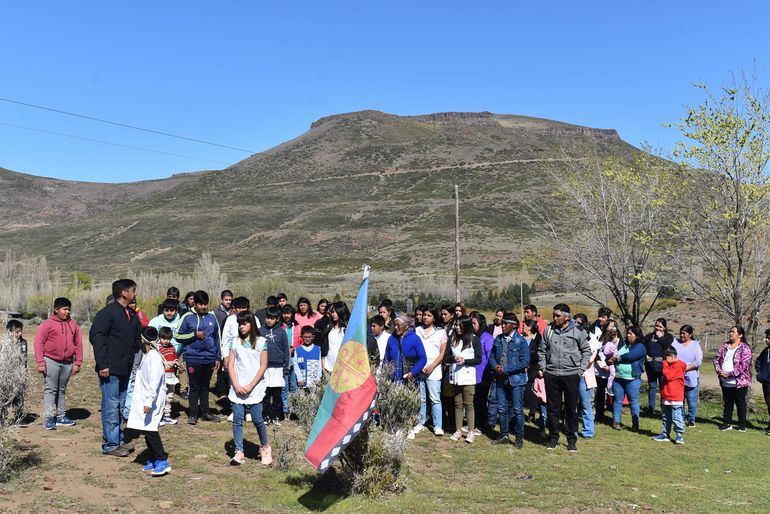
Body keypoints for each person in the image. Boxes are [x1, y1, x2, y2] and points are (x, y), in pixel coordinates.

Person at [90, 279, 142, 457]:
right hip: (110, 369)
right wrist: (103, 363)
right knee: (111, 405)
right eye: (133, 291)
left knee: (119, 405)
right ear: (124, 293)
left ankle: (118, 439)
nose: (135, 294)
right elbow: (97, 338)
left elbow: (137, 339)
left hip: (125, 368)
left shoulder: (132, 315)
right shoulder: (108, 313)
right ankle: (111, 444)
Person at [537, 303, 590, 452]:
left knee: (571, 409)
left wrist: (580, 370)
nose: (554, 318)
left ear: (567, 317)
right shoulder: (548, 331)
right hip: (552, 375)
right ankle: (553, 437)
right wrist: (543, 368)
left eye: (558, 315)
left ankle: (571, 439)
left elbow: (586, 351)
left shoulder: (578, 331)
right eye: (554, 315)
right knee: (553, 409)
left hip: (571, 375)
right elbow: (541, 350)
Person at [227, 311, 272, 466]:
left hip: (255, 387)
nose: (241, 327)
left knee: (257, 419)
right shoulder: (234, 342)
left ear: (252, 324)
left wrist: (251, 385)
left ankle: (265, 447)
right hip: (237, 387)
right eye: (239, 323)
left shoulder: (261, 342)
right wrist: (236, 384)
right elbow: (230, 365)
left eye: (244, 323)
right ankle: (239, 451)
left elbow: (263, 365)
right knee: (237, 420)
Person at [127, 326, 171, 476]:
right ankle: (153, 458)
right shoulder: (148, 355)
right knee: (146, 430)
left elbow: (154, 382)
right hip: (146, 399)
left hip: (152, 400)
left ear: (142, 340)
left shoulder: (153, 357)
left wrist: (149, 402)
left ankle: (162, 461)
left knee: (151, 431)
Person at [34, 297, 83, 430]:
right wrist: (40, 362)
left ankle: (61, 416)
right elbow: (39, 343)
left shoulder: (73, 324)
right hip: (50, 361)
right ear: (56, 310)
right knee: (51, 389)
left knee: (61, 390)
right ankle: (49, 417)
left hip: (67, 362)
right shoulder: (47, 324)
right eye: (64, 309)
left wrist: (78, 362)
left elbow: (78, 343)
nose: (67, 312)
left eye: (68, 309)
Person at [176, 290, 222, 424]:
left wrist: (218, 357)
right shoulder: (187, 317)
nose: (203, 307)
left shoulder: (212, 318)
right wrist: (194, 335)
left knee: (205, 386)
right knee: (194, 386)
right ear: (194, 303)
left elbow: (217, 338)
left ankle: (206, 412)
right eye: (200, 304)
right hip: (193, 358)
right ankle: (193, 414)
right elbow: (178, 336)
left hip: (209, 358)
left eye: (205, 304)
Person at [489, 313, 529, 448]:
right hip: (500, 379)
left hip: (516, 380)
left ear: (514, 325)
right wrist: (495, 367)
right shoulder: (498, 339)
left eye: (506, 324)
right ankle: (504, 434)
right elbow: (492, 356)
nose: (503, 326)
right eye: (502, 324)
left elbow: (524, 362)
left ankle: (519, 437)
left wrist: (506, 368)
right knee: (502, 408)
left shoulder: (521, 341)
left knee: (517, 409)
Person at [445, 317, 483, 443]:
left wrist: (465, 361)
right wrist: (454, 359)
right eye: (456, 325)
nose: (457, 327)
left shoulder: (474, 339)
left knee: (469, 404)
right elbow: (446, 357)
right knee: (457, 404)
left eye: (460, 326)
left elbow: (478, 359)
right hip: (455, 376)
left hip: (468, 377)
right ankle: (458, 430)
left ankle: (471, 431)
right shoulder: (452, 339)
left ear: (466, 326)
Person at [414, 304, 447, 437]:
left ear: (434, 317)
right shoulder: (417, 330)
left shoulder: (441, 332)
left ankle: (438, 425)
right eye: (424, 315)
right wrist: (419, 366)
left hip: (434, 369)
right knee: (420, 398)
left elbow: (442, 352)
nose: (425, 318)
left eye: (429, 315)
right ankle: (420, 422)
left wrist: (432, 366)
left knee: (434, 398)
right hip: (419, 368)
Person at [713, 325, 753, 432]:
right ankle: (727, 423)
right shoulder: (724, 346)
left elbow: (744, 366)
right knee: (727, 402)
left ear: (740, 334)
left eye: (733, 332)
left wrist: (730, 374)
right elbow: (716, 359)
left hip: (739, 381)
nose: (731, 333)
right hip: (725, 381)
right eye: (730, 331)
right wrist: (719, 371)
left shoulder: (745, 348)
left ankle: (742, 425)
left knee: (740, 402)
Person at [609, 326, 647, 432]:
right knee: (617, 400)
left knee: (633, 401)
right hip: (618, 377)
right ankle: (616, 421)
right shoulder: (622, 344)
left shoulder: (641, 346)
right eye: (628, 333)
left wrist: (618, 358)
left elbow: (631, 356)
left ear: (637, 336)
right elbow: (614, 353)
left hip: (632, 378)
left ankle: (635, 423)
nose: (628, 335)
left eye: (631, 334)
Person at [573, 313, 600, 439]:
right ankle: (571, 428)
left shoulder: (591, 341)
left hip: (584, 376)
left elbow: (589, 360)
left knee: (585, 403)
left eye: (578, 323)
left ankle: (588, 430)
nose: (576, 325)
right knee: (571, 404)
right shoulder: (571, 337)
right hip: (572, 374)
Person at [652, 346, 687, 444]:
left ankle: (679, 435)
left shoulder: (678, 365)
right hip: (667, 395)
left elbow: (668, 376)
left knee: (676, 417)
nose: (664, 361)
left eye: (665, 358)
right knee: (666, 416)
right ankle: (665, 434)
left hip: (675, 397)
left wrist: (664, 365)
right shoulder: (670, 364)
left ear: (672, 356)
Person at [261, 308, 289, 425]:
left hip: (278, 367)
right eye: (267, 317)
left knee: (277, 394)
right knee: (265, 394)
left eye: (272, 318)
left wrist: (285, 367)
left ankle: (276, 416)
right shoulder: (260, 331)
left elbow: (286, 350)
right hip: (264, 367)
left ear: (277, 319)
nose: (269, 320)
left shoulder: (282, 332)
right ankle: (266, 416)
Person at [671, 325, 702, 427]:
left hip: (691, 376)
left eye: (684, 333)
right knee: (680, 399)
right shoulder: (675, 343)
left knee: (691, 399)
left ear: (690, 334)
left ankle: (691, 419)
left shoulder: (696, 345)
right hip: (677, 376)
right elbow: (670, 355)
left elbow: (698, 361)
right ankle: (681, 418)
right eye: (681, 333)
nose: (681, 335)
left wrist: (685, 368)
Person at [383, 314, 427, 387]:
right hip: (393, 380)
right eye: (395, 325)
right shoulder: (391, 339)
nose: (396, 327)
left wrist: (413, 372)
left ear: (406, 326)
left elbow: (423, 359)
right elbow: (386, 358)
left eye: (398, 325)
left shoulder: (415, 339)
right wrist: (385, 373)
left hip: (409, 379)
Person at [521, 318, 546, 435]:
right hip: (522, 374)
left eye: (524, 325)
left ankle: (542, 427)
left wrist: (539, 368)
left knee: (539, 400)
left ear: (529, 327)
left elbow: (540, 355)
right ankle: (519, 425)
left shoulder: (538, 339)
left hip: (535, 374)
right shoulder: (520, 339)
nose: (522, 327)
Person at [643, 318, 674, 414]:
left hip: (662, 366)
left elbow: (668, 348)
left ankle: (663, 408)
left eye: (660, 326)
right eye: (656, 326)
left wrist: (660, 338)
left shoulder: (668, 337)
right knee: (652, 387)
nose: (658, 328)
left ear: (664, 328)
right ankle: (651, 408)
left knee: (662, 387)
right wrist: (646, 357)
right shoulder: (649, 336)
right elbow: (645, 347)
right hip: (650, 366)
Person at [470, 312, 494, 435]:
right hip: (472, 375)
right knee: (474, 401)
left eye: (474, 323)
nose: (472, 325)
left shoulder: (487, 338)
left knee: (481, 400)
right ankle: (473, 424)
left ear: (481, 324)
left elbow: (490, 358)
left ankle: (482, 425)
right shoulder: (474, 337)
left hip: (483, 375)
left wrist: (487, 376)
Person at [595, 319, 620, 422]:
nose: (612, 328)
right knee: (600, 394)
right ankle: (599, 415)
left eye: (614, 326)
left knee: (614, 393)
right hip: (601, 370)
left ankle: (615, 417)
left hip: (614, 370)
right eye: (610, 326)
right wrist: (602, 364)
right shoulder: (601, 339)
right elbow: (597, 353)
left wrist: (613, 361)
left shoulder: (619, 339)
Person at [5, 319, 28, 422]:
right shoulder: (5, 344)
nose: (20, 333)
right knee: (5, 396)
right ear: (10, 332)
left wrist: (23, 373)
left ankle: (18, 416)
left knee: (19, 396)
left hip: (19, 373)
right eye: (17, 331)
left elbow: (24, 358)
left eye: (21, 331)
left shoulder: (23, 343)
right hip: (7, 374)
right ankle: (3, 416)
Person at [157, 326, 179, 426]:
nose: (166, 341)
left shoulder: (172, 347)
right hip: (162, 376)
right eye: (164, 338)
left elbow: (176, 357)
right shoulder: (158, 349)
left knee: (169, 396)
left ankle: (166, 416)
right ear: (159, 337)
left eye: (168, 339)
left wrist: (176, 363)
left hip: (171, 375)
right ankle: (158, 416)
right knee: (160, 396)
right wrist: (169, 364)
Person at [281, 304, 299, 419]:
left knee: (294, 386)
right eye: (284, 313)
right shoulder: (280, 326)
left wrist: (294, 349)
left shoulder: (297, 327)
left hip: (295, 360)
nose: (286, 315)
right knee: (284, 386)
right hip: (283, 360)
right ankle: (285, 410)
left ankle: (294, 409)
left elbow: (302, 341)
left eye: (288, 313)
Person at [320, 302, 349, 373]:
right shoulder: (329, 328)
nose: (333, 314)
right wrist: (323, 365)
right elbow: (324, 347)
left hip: (343, 368)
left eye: (336, 312)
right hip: (329, 366)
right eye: (332, 312)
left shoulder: (347, 329)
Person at [755, 328, 770, 435]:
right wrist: (760, 372)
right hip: (766, 382)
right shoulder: (766, 351)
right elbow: (758, 361)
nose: (766, 340)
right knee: (769, 404)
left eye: (769, 338)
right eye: (766, 338)